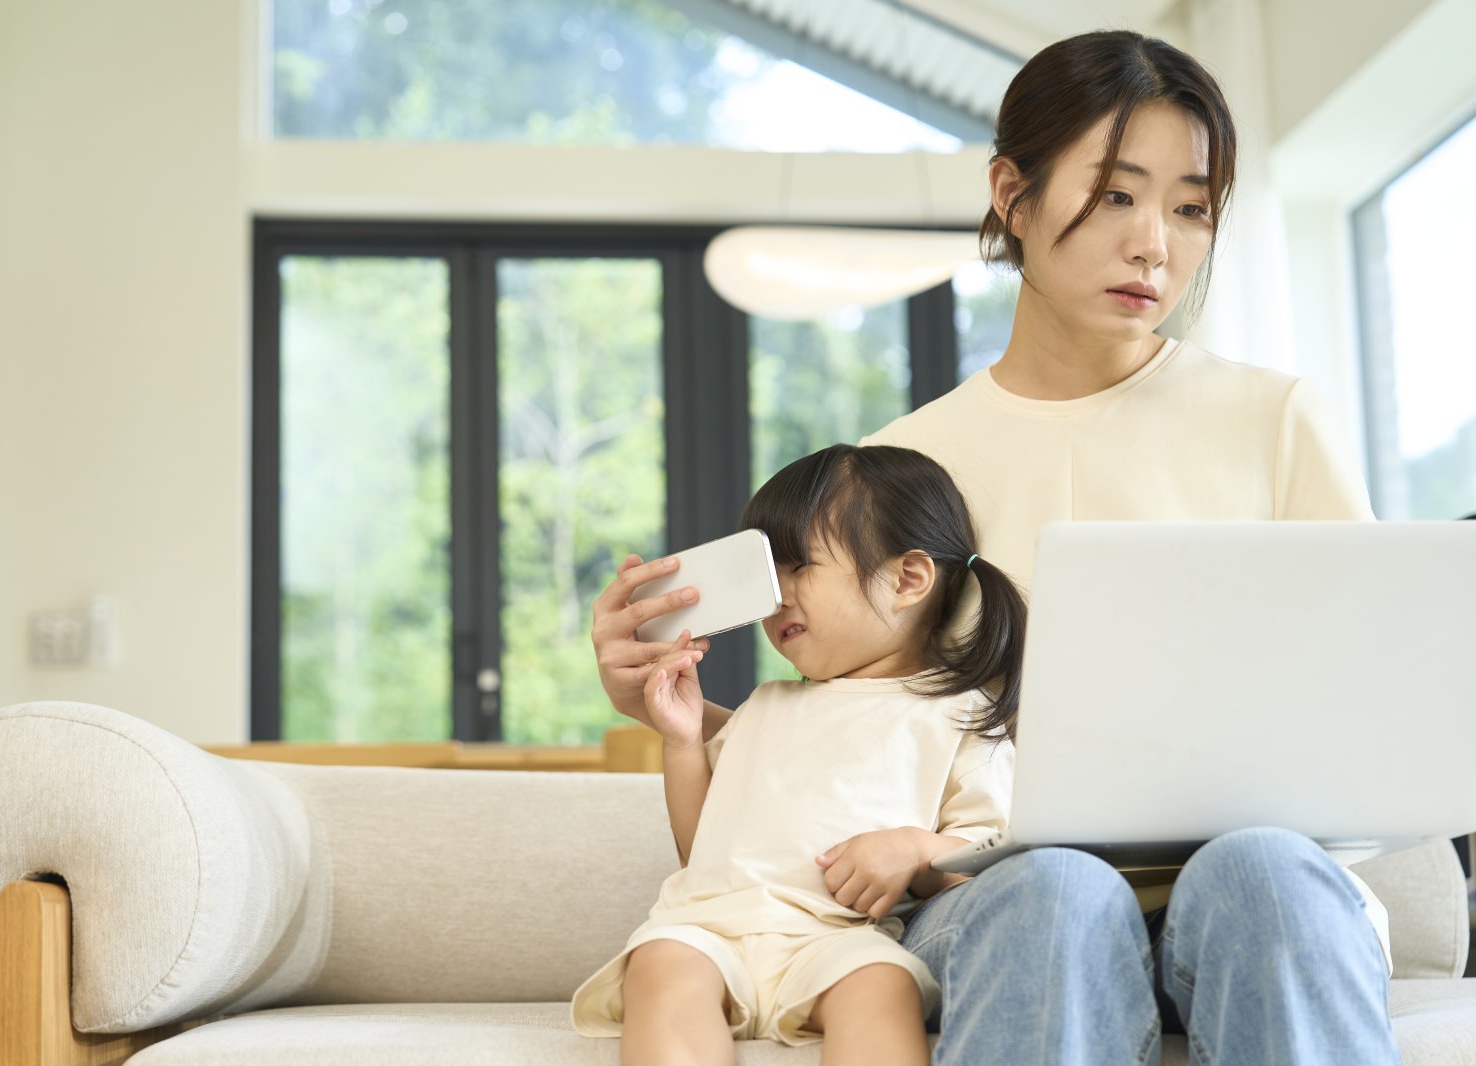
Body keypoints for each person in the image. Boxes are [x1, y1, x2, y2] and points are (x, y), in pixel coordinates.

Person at [590, 28, 1400, 1066]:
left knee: (1268, 872)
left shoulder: (1276, 420)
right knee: (1054, 885)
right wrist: (658, 703)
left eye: (1190, 207)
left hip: (1247, 894)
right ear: (1012, 195)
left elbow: (1365, 723)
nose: (1155, 241)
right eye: (1115, 194)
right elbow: (846, 739)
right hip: (996, 900)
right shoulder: (894, 468)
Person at [572, 444, 1026, 1065]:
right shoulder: (766, 704)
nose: (774, 596)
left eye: (798, 566)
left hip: (841, 940)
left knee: (882, 985)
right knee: (661, 964)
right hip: (709, 929)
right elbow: (700, 853)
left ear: (909, 579)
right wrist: (681, 742)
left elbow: (993, 860)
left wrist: (916, 849)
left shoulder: (959, 713)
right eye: (765, 574)